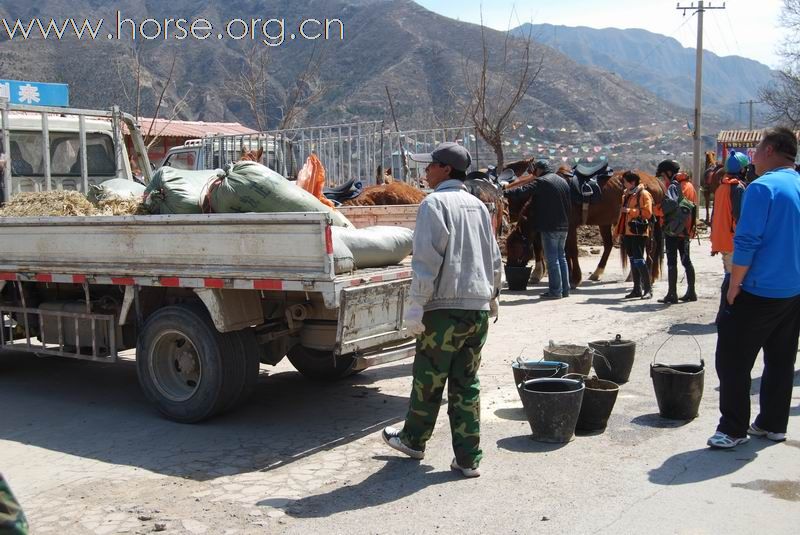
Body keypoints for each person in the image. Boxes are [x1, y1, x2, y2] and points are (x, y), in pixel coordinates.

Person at [381, 142, 502, 477]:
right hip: (476, 311)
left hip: (443, 311)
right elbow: (493, 258)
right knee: (466, 384)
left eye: (431, 165)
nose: (425, 172)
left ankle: (413, 441)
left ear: (446, 169)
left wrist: (416, 307)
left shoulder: (433, 204)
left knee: (428, 381)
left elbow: (425, 262)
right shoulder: (479, 206)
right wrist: (492, 298)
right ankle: (468, 459)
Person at [708, 127, 800, 449]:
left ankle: (732, 428)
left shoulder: (762, 188)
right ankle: (772, 424)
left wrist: (734, 285)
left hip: (758, 289)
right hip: (792, 291)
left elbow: (746, 241)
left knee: (731, 359)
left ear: (772, 150)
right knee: (780, 359)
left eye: (758, 147)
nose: (754, 154)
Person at [504, 160, 572, 299]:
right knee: (561, 258)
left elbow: (522, 191)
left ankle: (555, 291)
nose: (534, 173)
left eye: (535, 170)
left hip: (550, 226)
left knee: (552, 259)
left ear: (539, 170)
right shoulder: (562, 181)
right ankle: (565, 290)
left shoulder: (542, 181)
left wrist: (504, 192)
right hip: (564, 226)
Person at [710, 150, 750, 323]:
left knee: (728, 274)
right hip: (733, 239)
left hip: (722, 238)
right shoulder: (738, 188)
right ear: (741, 169)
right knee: (732, 277)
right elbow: (740, 216)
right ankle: (724, 313)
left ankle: (724, 313)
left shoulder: (721, 187)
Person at [655, 159, 698, 304]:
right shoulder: (690, 185)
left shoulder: (674, 186)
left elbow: (668, 206)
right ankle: (691, 292)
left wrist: (656, 210)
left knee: (672, 262)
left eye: (663, 176)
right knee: (686, 261)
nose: (664, 179)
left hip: (672, 230)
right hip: (686, 230)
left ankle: (672, 294)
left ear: (669, 172)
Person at [615, 171, 654, 299]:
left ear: (632, 182)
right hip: (627, 232)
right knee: (633, 260)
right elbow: (622, 217)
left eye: (625, 182)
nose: (624, 184)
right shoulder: (626, 195)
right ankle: (636, 289)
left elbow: (647, 213)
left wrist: (630, 211)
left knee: (639, 259)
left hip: (638, 232)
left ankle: (648, 289)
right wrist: (617, 232)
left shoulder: (643, 194)